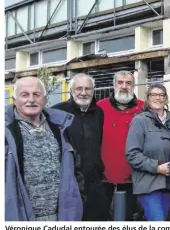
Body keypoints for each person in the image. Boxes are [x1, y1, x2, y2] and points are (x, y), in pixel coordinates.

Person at [5, 76, 85, 221]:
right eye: (24, 95)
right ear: (14, 99)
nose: (31, 99)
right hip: (19, 217)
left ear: (45, 99)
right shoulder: (5, 131)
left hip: (61, 216)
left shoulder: (60, 126)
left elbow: (76, 169)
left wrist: (79, 198)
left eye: (36, 94)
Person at [52, 73, 106, 221]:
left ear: (93, 91)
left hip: (95, 181)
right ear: (71, 90)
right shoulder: (57, 112)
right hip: (70, 181)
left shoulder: (99, 113)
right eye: (79, 88)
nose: (83, 93)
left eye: (88, 89)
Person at [126, 83, 170, 221]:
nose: (158, 98)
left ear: (166, 99)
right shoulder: (139, 121)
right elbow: (132, 154)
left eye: (161, 95)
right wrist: (156, 168)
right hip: (148, 184)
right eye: (153, 95)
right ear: (147, 99)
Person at [97, 71, 144, 220]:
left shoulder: (143, 108)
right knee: (102, 218)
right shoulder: (100, 107)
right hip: (104, 177)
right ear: (114, 85)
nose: (124, 86)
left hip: (134, 177)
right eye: (120, 82)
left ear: (134, 86)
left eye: (128, 83)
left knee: (128, 218)